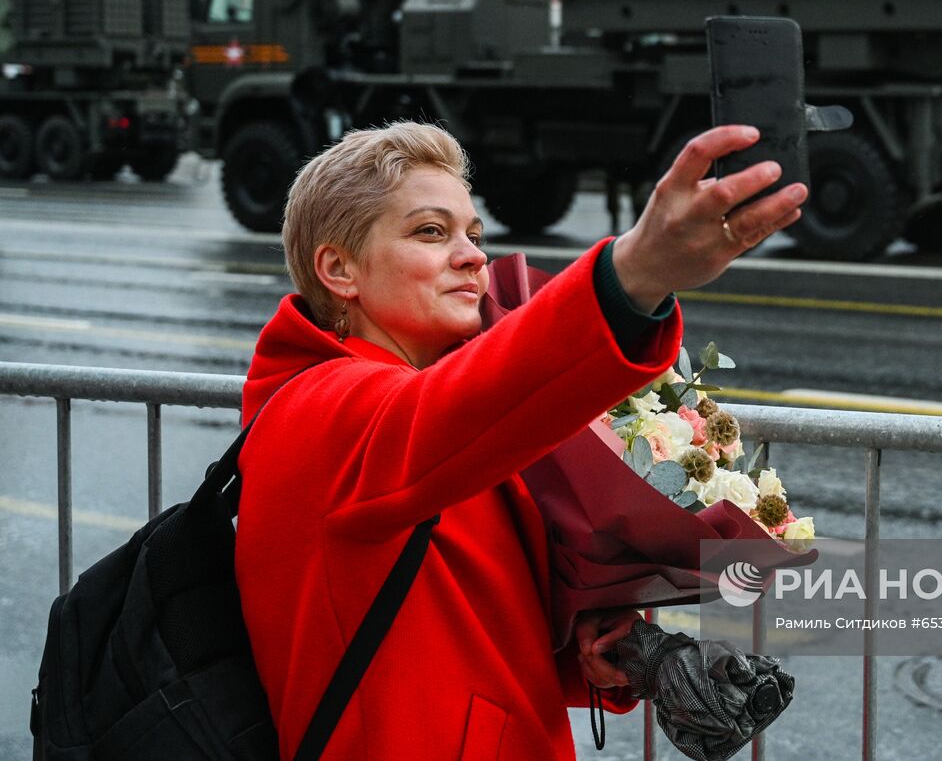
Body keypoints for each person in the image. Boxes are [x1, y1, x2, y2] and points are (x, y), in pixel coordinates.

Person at [235, 121, 806, 760]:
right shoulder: (319, 410)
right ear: (339, 269)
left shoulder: (421, 401)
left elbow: (455, 617)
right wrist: (637, 272)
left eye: (474, 234)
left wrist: (598, 649)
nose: (473, 256)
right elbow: (472, 394)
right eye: (430, 232)